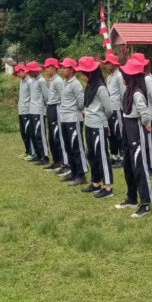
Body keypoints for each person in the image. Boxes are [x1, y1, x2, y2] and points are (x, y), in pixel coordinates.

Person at [115, 58, 152, 218]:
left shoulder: (137, 93)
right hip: (127, 127)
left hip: (135, 129)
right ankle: (131, 197)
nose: (123, 76)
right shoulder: (128, 91)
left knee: (139, 166)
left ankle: (145, 203)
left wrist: (145, 124)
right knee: (128, 164)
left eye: (125, 74)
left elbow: (144, 113)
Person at [76, 56, 115, 198]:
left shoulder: (100, 87)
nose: (81, 76)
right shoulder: (90, 86)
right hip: (89, 124)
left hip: (99, 125)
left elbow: (109, 109)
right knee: (91, 154)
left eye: (83, 73)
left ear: (90, 73)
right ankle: (95, 182)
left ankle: (108, 187)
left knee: (102, 155)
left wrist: (100, 118)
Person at [58, 57, 88, 186]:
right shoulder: (65, 82)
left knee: (76, 147)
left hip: (73, 119)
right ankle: (73, 171)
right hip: (64, 119)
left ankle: (81, 175)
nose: (62, 69)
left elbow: (82, 102)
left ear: (71, 69)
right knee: (68, 146)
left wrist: (76, 110)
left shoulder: (76, 84)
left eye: (65, 67)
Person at [131, 52, 152, 174]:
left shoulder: (147, 78)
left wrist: (151, 105)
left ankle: (151, 166)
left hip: (147, 114)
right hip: (141, 114)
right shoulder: (139, 78)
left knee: (149, 143)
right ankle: (146, 163)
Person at [43, 58, 66, 172]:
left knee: (58, 137)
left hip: (57, 108)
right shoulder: (52, 80)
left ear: (53, 67)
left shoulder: (58, 81)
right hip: (50, 108)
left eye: (47, 67)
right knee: (52, 137)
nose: (46, 69)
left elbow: (63, 97)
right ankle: (56, 161)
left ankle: (62, 162)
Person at [25, 62, 49, 165]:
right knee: (34, 134)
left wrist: (44, 110)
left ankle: (44, 156)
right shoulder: (33, 81)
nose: (29, 73)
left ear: (35, 71)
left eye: (30, 71)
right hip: (32, 110)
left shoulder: (41, 81)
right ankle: (39, 155)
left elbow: (46, 97)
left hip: (39, 111)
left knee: (40, 135)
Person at [104, 53, 126, 167]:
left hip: (117, 108)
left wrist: (124, 108)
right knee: (111, 133)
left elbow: (123, 94)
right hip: (110, 109)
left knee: (119, 132)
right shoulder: (109, 77)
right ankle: (114, 156)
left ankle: (123, 157)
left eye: (108, 63)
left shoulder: (119, 76)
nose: (106, 66)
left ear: (113, 64)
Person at [13, 63, 35, 160]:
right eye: (16, 73)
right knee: (23, 133)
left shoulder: (30, 82)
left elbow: (33, 97)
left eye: (18, 72)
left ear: (23, 71)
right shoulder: (21, 82)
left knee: (29, 132)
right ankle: (27, 151)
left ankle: (32, 152)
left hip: (27, 111)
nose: (18, 75)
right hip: (21, 111)